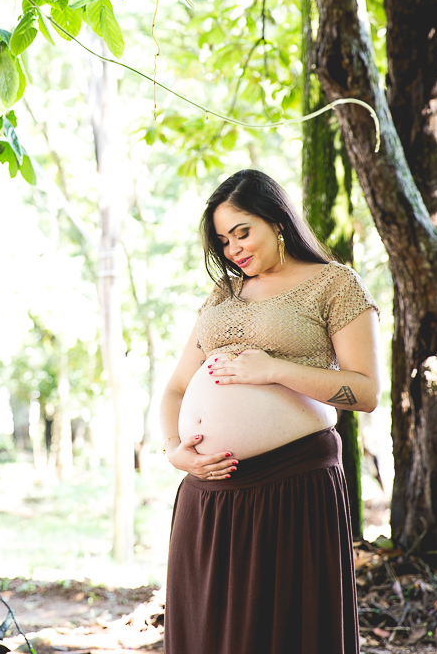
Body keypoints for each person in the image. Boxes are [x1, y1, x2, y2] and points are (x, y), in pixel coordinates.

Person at [159, 168, 385, 654]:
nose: (234, 249)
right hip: (210, 495)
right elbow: (176, 388)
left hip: (290, 489)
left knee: (279, 633)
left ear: (278, 221)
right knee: (208, 635)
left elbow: (366, 392)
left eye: (243, 232)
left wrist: (274, 370)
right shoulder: (223, 296)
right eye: (223, 241)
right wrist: (174, 450)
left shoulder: (333, 283)